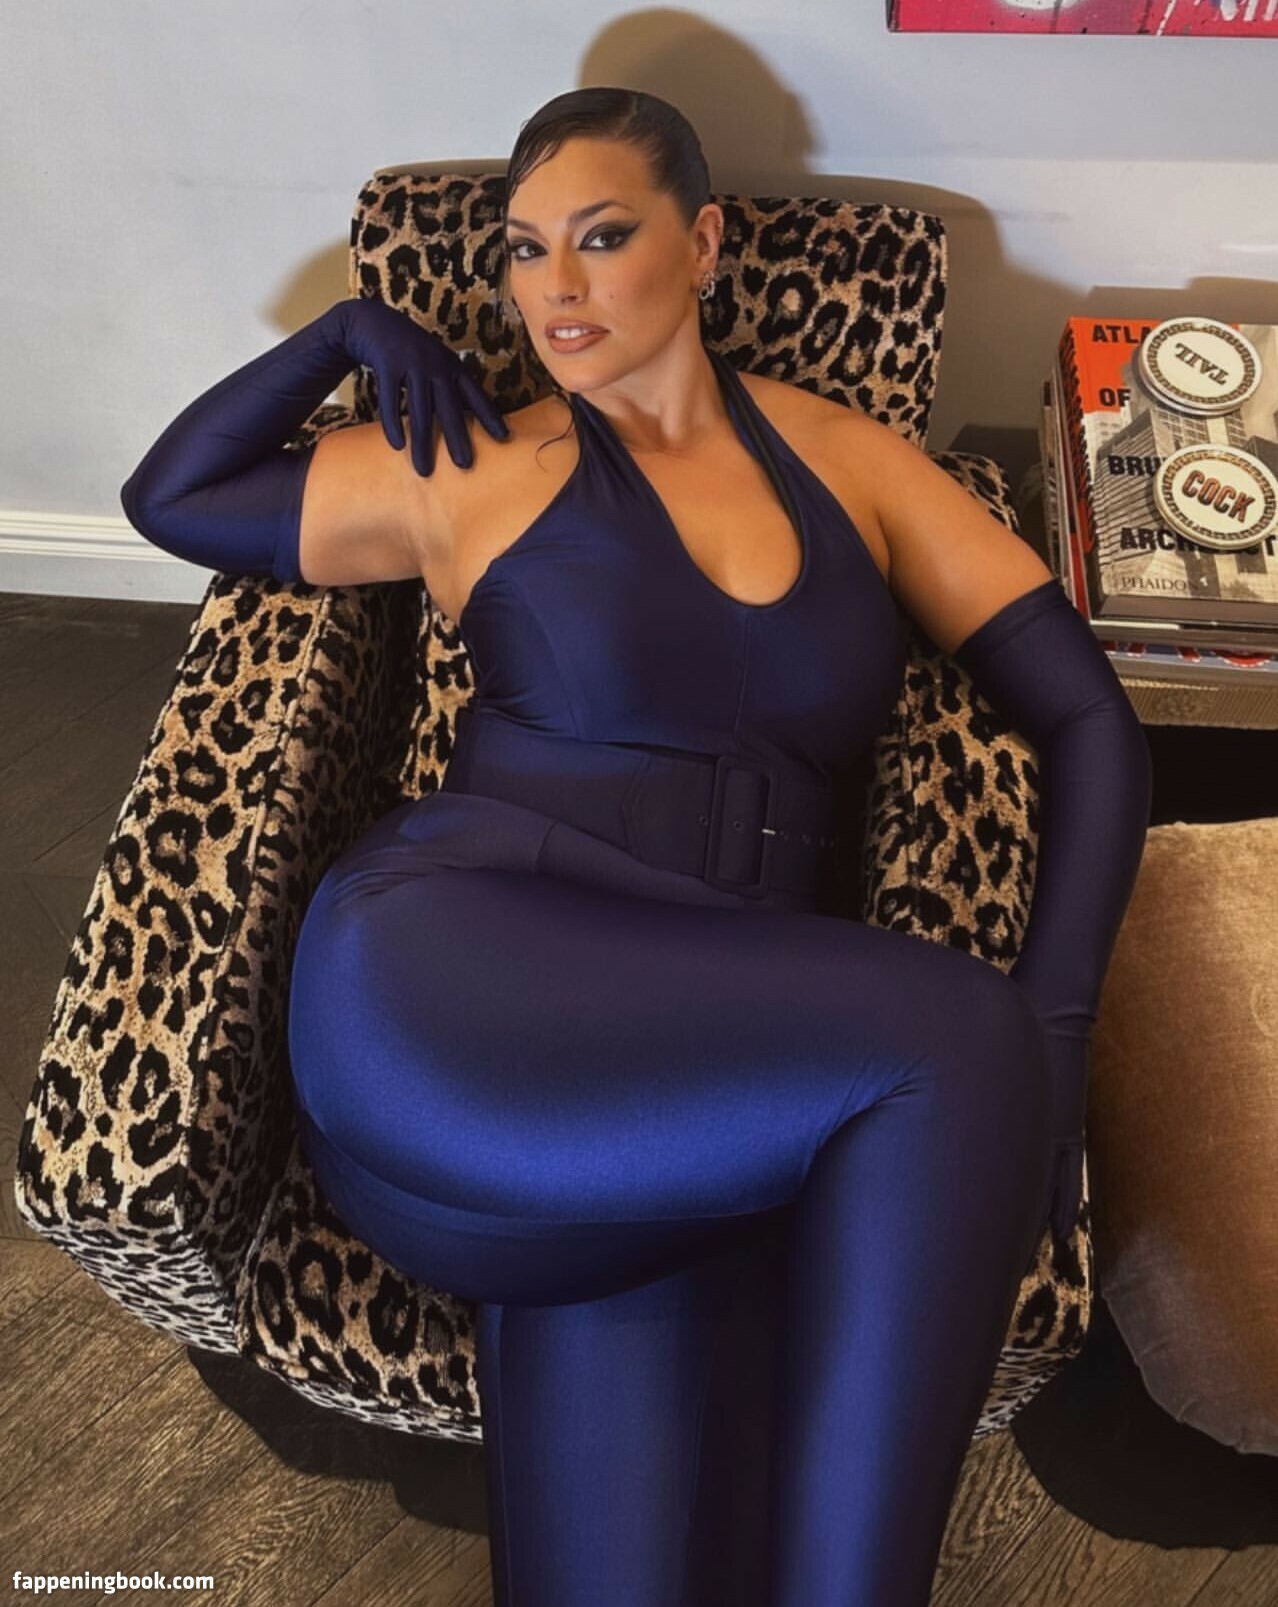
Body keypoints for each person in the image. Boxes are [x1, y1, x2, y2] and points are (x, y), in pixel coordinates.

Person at [120, 86, 1152, 1607]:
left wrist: (1060, 1027)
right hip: (462, 987)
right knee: (952, 1043)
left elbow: (1088, 720)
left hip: (706, 1069)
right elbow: (172, 497)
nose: (555, 287)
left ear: (706, 242)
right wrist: (342, 337)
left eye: (601, 238)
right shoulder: (473, 461)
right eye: (524, 249)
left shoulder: (852, 464)